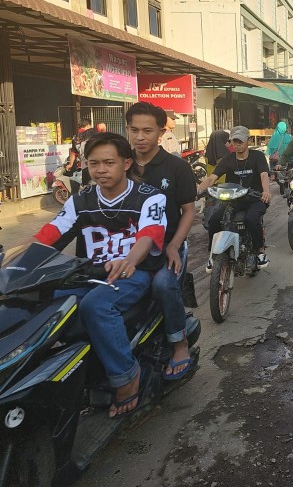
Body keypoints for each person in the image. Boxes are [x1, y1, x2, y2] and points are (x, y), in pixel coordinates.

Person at [34, 132, 167, 417]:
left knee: (96, 305)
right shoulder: (80, 199)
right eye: (94, 164)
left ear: (127, 163)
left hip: (133, 273)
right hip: (88, 274)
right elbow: (51, 233)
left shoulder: (150, 197)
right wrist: (19, 259)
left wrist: (130, 259)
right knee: (40, 301)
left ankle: (126, 375)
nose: (101, 170)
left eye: (109, 162)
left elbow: (150, 233)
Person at [126, 102, 196, 381]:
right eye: (134, 130)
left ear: (160, 132)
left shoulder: (176, 167)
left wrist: (173, 245)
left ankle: (179, 344)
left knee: (163, 284)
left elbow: (188, 211)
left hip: (167, 245)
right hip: (129, 246)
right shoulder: (122, 163)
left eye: (147, 130)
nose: (140, 137)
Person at [197, 126, 271, 270]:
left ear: (248, 141)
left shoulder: (258, 156)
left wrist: (266, 191)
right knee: (214, 220)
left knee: (252, 219)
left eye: (240, 141)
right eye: (234, 141)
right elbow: (212, 178)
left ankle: (260, 251)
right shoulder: (228, 159)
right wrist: (198, 190)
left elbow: (264, 175)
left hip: (255, 198)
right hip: (233, 199)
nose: (237, 145)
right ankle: (212, 255)